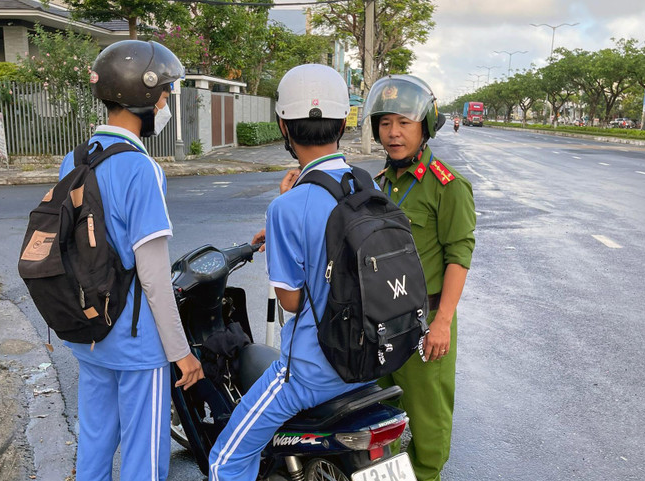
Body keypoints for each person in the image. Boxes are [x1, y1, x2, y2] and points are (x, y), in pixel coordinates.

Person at [207, 64, 369, 480]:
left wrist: (283, 219)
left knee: (225, 459)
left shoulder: (286, 208)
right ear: (343, 123)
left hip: (312, 372)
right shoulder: (366, 184)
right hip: (371, 358)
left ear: (283, 125)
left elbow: (292, 301)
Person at [59, 40, 203, 480]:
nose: (165, 105)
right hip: (137, 344)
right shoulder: (142, 169)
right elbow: (154, 276)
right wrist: (181, 354)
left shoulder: (75, 158)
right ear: (144, 95)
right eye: (164, 95)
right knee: (145, 459)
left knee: (95, 443)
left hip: (88, 331)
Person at [362, 74, 476, 481]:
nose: (393, 133)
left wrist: (442, 322)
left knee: (428, 428)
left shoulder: (448, 187)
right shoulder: (378, 185)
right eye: (385, 122)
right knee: (377, 421)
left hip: (424, 321)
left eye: (403, 123)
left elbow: (459, 255)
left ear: (424, 126)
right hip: (380, 323)